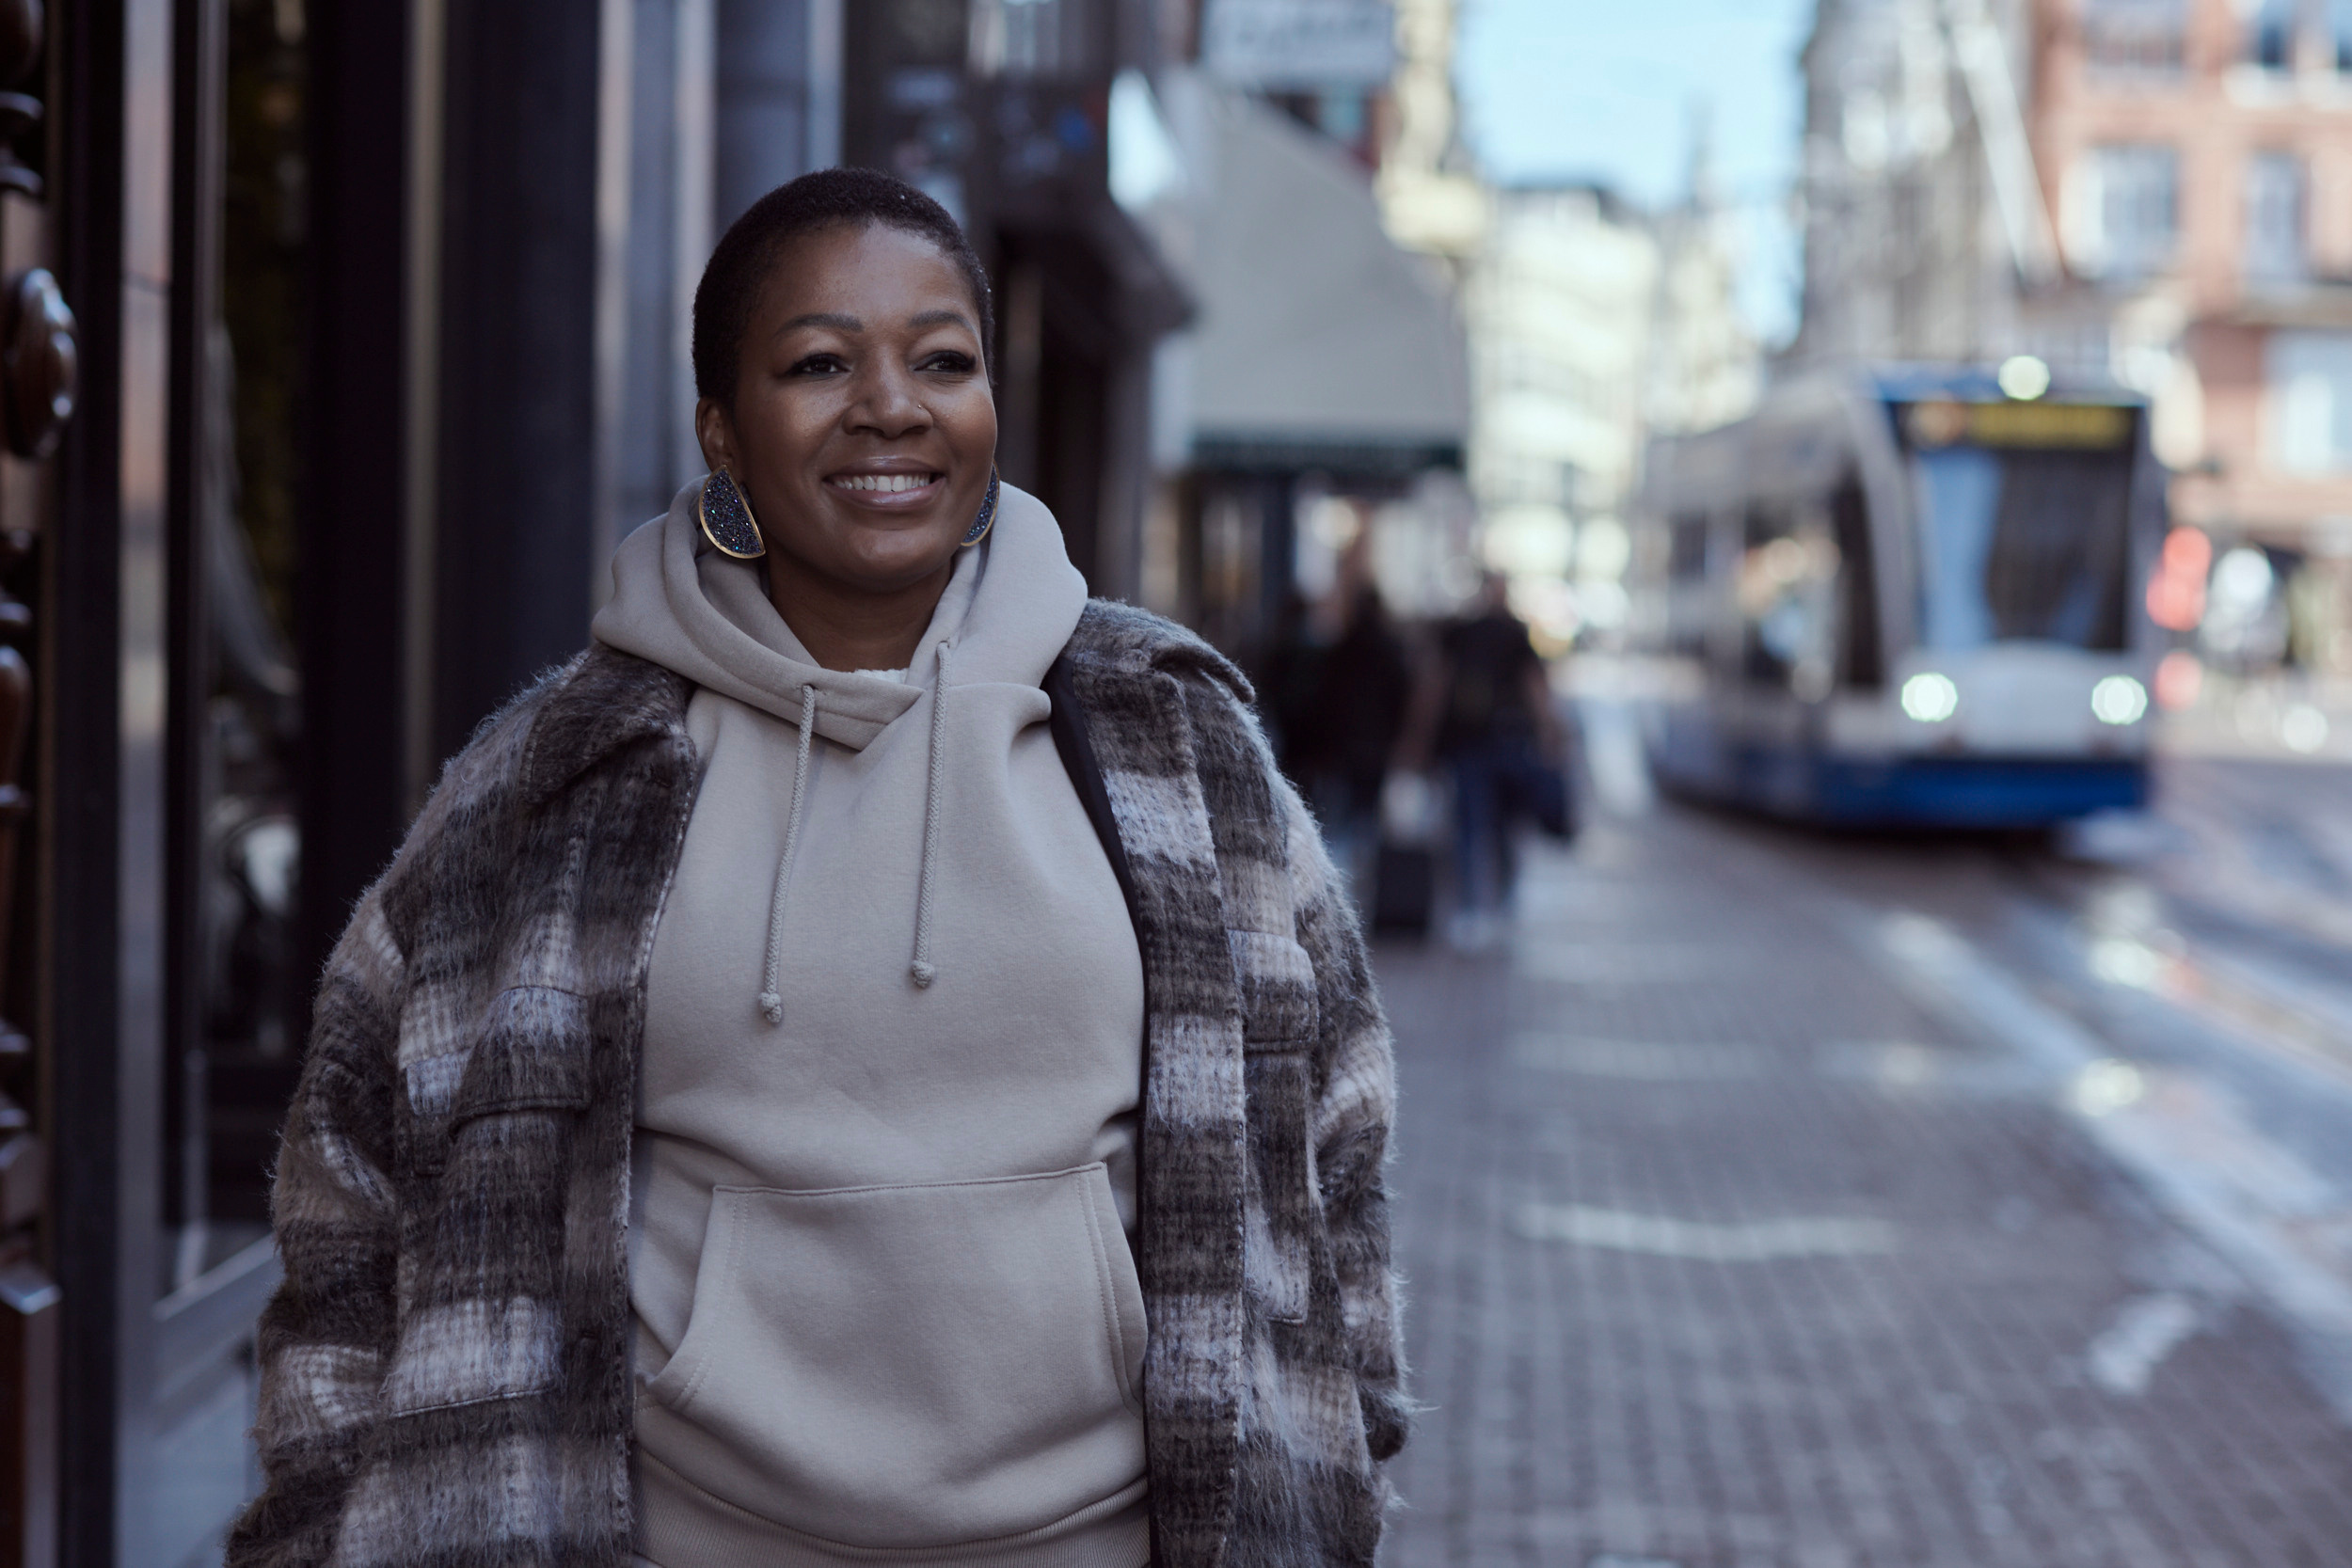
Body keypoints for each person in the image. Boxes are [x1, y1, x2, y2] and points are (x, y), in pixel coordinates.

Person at [227, 169, 1405, 1568]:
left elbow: (1338, 1129)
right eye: (818, 362)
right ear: (722, 428)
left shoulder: (1175, 743)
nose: (890, 406)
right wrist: (320, 1511)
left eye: (941, 360)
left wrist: (1345, 1430)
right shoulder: (556, 779)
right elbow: (350, 1177)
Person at [1425, 573, 1565, 949]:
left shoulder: (1470, 634)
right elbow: (1534, 686)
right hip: (1497, 743)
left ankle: (1481, 909)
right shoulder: (1504, 634)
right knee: (1491, 826)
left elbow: (1436, 686)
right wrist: (1550, 733)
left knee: (1477, 827)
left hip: (1482, 744)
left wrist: (1419, 740)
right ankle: (1495, 905)